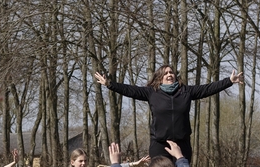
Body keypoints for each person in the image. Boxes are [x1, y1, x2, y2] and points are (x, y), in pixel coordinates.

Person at [94, 66, 243, 160]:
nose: (169, 74)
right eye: (165, 73)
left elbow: (208, 89)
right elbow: (129, 90)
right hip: (160, 144)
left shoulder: (186, 91)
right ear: (159, 78)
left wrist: (229, 81)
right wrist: (109, 84)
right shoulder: (152, 92)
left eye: (171, 72)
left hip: (182, 144)